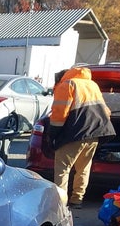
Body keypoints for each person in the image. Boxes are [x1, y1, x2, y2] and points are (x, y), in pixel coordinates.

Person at [48, 67, 115, 209]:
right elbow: (106, 111)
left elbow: (59, 115)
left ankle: (60, 203)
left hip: (74, 134)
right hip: (95, 133)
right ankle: (77, 200)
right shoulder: (92, 85)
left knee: (62, 169)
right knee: (83, 168)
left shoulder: (66, 85)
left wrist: (52, 135)